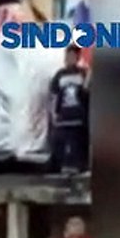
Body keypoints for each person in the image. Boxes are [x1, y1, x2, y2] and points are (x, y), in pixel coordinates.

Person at [48, 44, 90, 174]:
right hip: (63, 116)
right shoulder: (60, 75)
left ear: (77, 58)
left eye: (72, 56)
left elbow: (87, 93)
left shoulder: (83, 74)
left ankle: (80, 166)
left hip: (79, 116)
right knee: (59, 142)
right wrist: (53, 113)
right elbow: (53, 95)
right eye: (68, 56)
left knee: (79, 143)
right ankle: (60, 166)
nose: (69, 59)